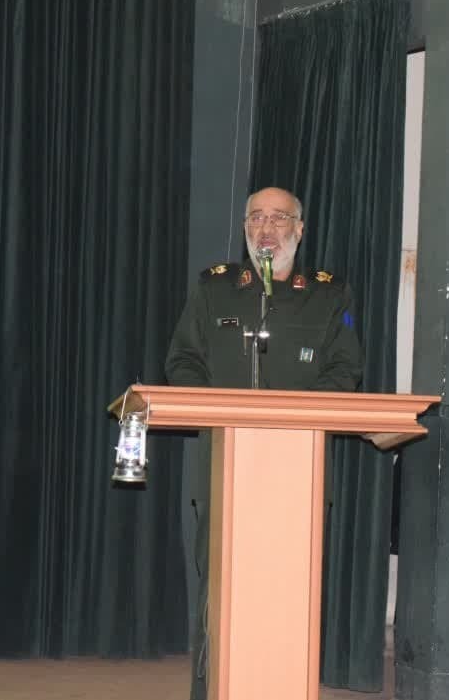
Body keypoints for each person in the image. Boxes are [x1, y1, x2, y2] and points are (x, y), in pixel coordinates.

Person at [165, 186, 364, 700]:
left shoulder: (329, 295)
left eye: (278, 218)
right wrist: (213, 407)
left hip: (299, 466)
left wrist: (298, 417)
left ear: (299, 229)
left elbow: (346, 368)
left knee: (289, 588)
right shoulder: (215, 288)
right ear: (244, 229)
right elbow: (182, 360)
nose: (266, 228)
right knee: (221, 587)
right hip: (223, 462)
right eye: (256, 217)